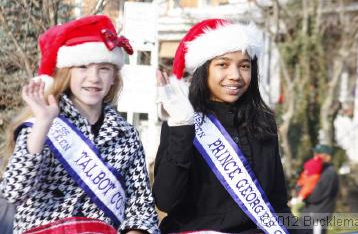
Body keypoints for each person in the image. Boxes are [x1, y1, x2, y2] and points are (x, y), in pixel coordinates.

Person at [0, 15, 160, 233]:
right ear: (67, 73)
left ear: (114, 76)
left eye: (104, 68)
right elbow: (14, 191)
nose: (94, 78)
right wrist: (43, 124)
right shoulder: (43, 123)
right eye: (83, 67)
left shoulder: (126, 135)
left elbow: (141, 208)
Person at [153, 19, 293, 233]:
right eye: (223, 64)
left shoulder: (263, 122)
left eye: (244, 66)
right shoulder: (183, 122)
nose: (235, 76)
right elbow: (166, 200)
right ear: (203, 69)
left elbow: (278, 203)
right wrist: (182, 126)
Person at [300, 144, 339, 234]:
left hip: (318, 215)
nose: (315, 155)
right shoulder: (316, 169)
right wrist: (301, 192)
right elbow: (300, 185)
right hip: (308, 214)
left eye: (319, 153)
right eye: (315, 153)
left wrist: (303, 195)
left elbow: (316, 195)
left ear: (328, 157)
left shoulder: (329, 173)